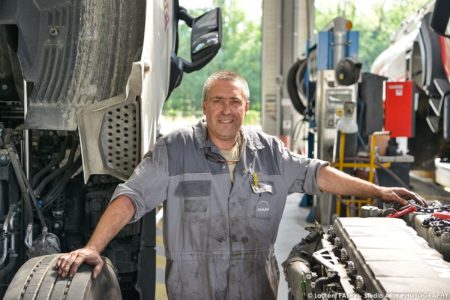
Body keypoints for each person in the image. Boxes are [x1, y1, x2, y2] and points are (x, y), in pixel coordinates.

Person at [56, 71, 426, 299]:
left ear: (245, 106)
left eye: (234, 101)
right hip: (194, 291)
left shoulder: (269, 152)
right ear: (204, 106)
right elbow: (132, 197)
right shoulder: (176, 149)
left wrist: (377, 192)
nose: (226, 110)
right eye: (218, 101)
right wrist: (92, 247)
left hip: (255, 290)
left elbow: (317, 173)